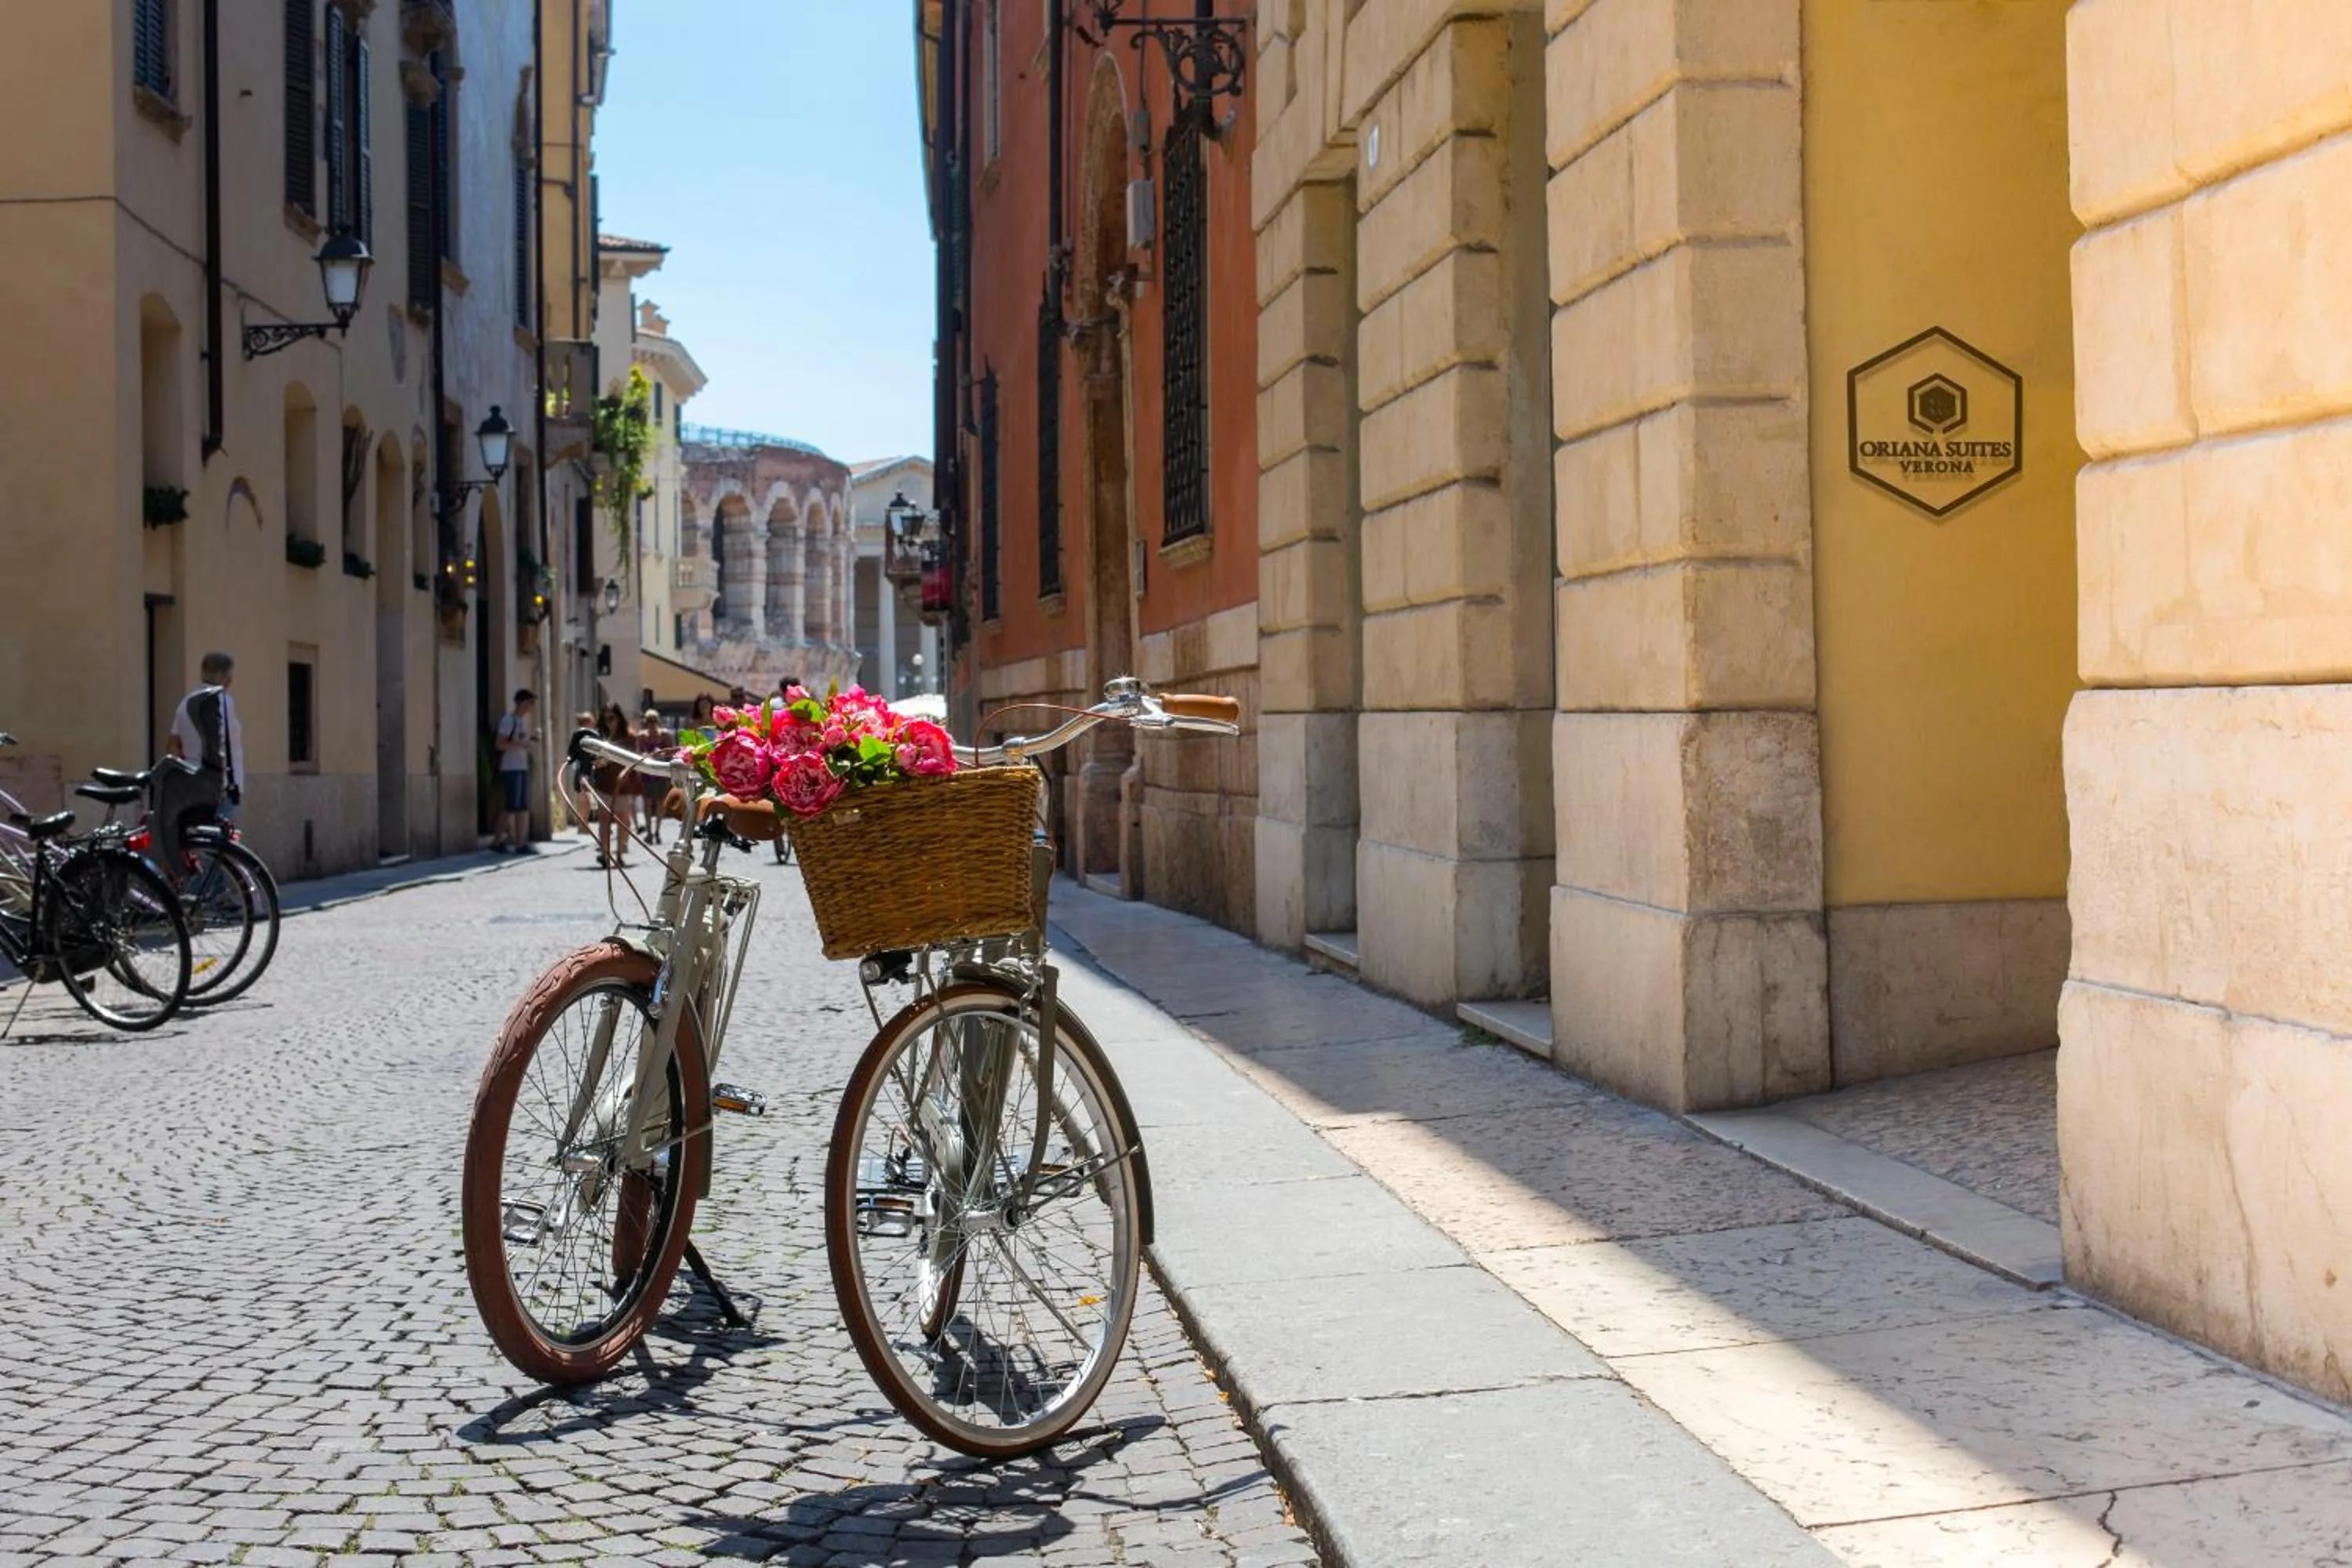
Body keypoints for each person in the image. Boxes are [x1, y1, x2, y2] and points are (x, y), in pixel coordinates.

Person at [161, 652, 244, 872]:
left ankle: (200, 895)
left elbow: (172, 744)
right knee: (218, 850)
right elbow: (222, 743)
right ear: (225, 676)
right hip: (222, 784)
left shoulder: (187, 702)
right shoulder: (223, 701)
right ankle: (215, 900)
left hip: (194, 782)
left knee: (200, 847)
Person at [491, 689, 536, 853]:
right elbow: (499, 744)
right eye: (530, 702)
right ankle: (496, 841)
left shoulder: (521, 722)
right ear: (521, 702)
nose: (531, 706)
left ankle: (520, 843)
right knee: (511, 806)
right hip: (510, 767)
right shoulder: (508, 720)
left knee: (523, 806)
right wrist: (521, 745)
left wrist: (529, 741)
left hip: (521, 766)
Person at [592, 703, 637, 869]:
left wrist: (625, 772)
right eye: (606, 719)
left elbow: (633, 759)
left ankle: (619, 854)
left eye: (612, 718)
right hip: (603, 783)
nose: (609, 722)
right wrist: (597, 762)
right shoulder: (598, 737)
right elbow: (592, 759)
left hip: (622, 784)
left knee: (622, 820)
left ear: (619, 718)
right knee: (603, 819)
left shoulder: (628, 737)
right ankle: (605, 854)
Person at [633, 708, 671, 844]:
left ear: (658, 721)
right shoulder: (642, 736)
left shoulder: (665, 735)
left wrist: (662, 753)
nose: (652, 724)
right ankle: (649, 831)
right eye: (649, 721)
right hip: (647, 773)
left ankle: (657, 831)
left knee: (660, 803)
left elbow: (672, 753)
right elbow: (638, 753)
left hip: (661, 773)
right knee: (647, 803)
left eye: (654, 721)